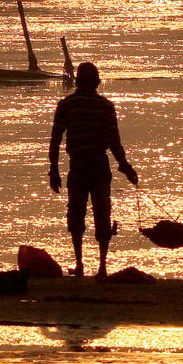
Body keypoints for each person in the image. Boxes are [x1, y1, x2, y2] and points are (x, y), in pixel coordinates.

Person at [49, 62, 138, 278]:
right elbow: (114, 142)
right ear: (97, 82)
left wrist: (53, 170)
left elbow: (56, 140)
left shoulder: (66, 105)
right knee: (102, 213)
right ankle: (102, 267)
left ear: (78, 81)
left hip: (78, 166)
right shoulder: (105, 107)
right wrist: (126, 168)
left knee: (76, 214)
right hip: (99, 166)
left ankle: (79, 263)